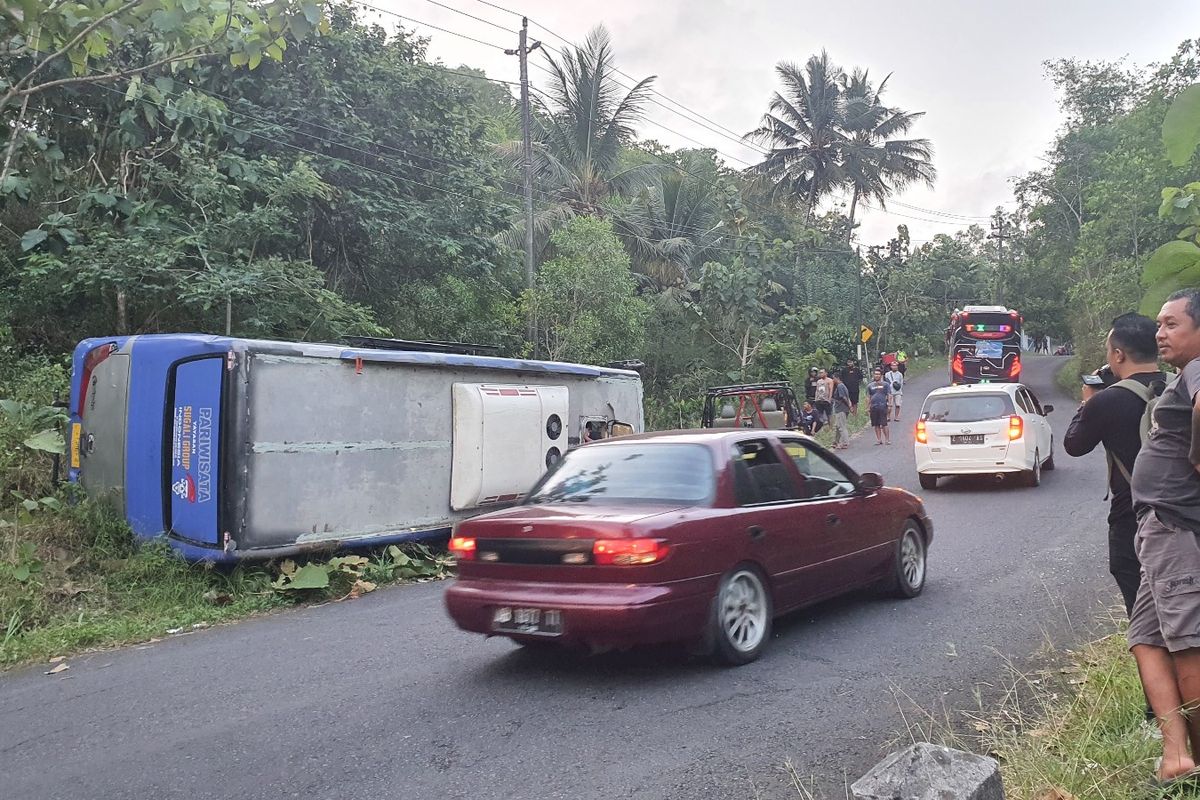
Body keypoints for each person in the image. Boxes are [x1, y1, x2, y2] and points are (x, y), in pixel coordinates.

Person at [1127, 289, 1200, 785]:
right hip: (1158, 527)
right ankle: (1176, 755)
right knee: (1146, 639)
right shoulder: (1182, 375)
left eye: (1172, 324)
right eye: (1159, 324)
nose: (1160, 333)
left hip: (1172, 525)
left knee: (1187, 643)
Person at [1063, 313, 1165, 618]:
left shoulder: (1106, 401)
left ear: (1118, 355)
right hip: (1187, 510)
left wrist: (1088, 401)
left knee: (1144, 616)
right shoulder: (1183, 387)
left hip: (1132, 516)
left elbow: (1074, 445)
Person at [866, 368, 891, 445]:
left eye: (878, 374)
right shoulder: (870, 386)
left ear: (881, 375)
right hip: (873, 407)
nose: (876, 375)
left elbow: (889, 395)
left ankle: (887, 440)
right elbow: (868, 397)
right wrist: (867, 407)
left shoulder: (886, 384)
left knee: (884, 424)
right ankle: (879, 439)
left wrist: (890, 405)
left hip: (882, 406)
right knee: (876, 424)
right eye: (875, 374)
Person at [830, 374, 851, 450]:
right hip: (840, 408)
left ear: (837, 378)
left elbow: (844, 397)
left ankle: (845, 442)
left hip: (841, 409)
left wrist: (849, 406)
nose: (833, 380)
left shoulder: (840, 386)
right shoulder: (842, 386)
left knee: (842, 426)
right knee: (837, 426)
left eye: (833, 378)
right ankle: (835, 442)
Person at [813, 368, 833, 433]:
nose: (821, 374)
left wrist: (829, 399)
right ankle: (821, 428)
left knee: (829, 414)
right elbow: (817, 390)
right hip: (819, 399)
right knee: (819, 415)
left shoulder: (829, 380)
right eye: (820, 373)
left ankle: (831, 428)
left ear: (826, 373)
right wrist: (816, 399)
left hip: (826, 400)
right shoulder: (819, 381)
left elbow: (831, 390)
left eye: (822, 372)